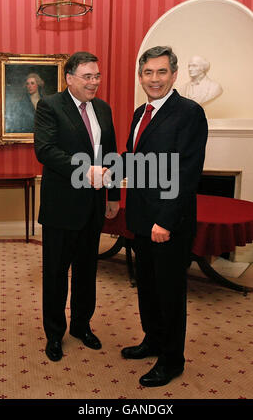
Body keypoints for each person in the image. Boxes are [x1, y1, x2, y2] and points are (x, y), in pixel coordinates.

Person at [121, 46, 208, 387]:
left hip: (168, 222)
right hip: (142, 218)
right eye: (147, 73)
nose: (153, 79)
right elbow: (137, 161)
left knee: (169, 291)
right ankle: (153, 340)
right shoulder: (140, 112)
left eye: (161, 72)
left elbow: (186, 172)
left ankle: (172, 359)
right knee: (148, 287)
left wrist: (166, 221)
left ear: (174, 75)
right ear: (141, 77)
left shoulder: (189, 112)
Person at [34, 51, 120, 362]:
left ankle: (81, 326)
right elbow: (45, 150)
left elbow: (109, 153)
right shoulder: (50, 105)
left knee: (87, 271)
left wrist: (113, 196)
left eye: (97, 75)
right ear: (69, 78)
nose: (94, 82)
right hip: (61, 207)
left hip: (94, 206)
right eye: (88, 76)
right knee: (56, 274)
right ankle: (54, 334)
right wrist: (85, 169)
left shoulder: (103, 108)